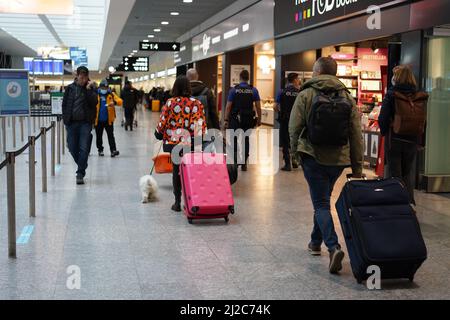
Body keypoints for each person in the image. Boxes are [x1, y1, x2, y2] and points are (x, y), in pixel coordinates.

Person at [289, 57, 363, 274]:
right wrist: (357, 167)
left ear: (318, 71)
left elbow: (294, 127)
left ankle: (333, 247)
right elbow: (356, 135)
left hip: (313, 157)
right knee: (322, 200)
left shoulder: (306, 94)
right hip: (338, 160)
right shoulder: (347, 97)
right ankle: (314, 243)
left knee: (321, 204)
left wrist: (295, 154)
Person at [155, 76, 207, 212]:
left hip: (173, 143)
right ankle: (190, 200)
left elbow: (162, 122)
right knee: (190, 171)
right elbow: (199, 124)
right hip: (190, 143)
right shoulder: (196, 103)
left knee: (176, 171)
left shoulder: (170, 103)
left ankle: (177, 202)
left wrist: (158, 133)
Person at [379, 65, 427, 204]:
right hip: (412, 140)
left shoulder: (392, 94)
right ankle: (408, 202)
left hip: (394, 138)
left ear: (396, 78)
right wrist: (420, 140)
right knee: (407, 173)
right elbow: (424, 120)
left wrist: (384, 131)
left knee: (395, 173)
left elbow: (383, 118)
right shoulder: (419, 96)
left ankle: (397, 204)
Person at [62, 66, 98, 185]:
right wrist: (65, 118)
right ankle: (83, 164)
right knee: (72, 147)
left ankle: (80, 173)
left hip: (85, 123)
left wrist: (88, 90)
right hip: (71, 123)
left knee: (83, 148)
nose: (83, 80)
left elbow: (94, 102)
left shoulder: (91, 88)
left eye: (85, 77)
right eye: (81, 77)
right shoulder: (70, 88)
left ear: (88, 77)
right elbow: (65, 104)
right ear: (77, 76)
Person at [224, 70, 262, 171]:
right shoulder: (253, 90)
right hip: (248, 119)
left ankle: (236, 161)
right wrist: (259, 119)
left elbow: (228, 107)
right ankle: (244, 162)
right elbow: (258, 106)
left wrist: (226, 119)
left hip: (235, 119)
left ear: (240, 78)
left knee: (234, 140)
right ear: (248, 78)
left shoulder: (233, 90)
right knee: (245, 139)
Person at [275, 73, 301, 171]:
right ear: (294, 80)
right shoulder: (300, 92)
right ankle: (295, 161)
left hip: (285, 119)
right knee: (296, 140)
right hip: (297, 120)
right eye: (297, 79)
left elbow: (275, 106)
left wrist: (280, 112)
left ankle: (287, 164)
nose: (298, 80)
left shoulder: (282, 92)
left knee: (285, 141)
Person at [94, 79, 123, 158]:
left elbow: (120, 101)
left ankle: (113, 150)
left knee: (110, 135)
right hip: (98, 120)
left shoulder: (111, 94)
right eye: (103, 88)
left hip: (109, 120)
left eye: (105, 88)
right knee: (99, 136)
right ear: (100, 87)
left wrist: (115, 103)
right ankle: (100, 150)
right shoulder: (96, 95)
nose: (104, 90)